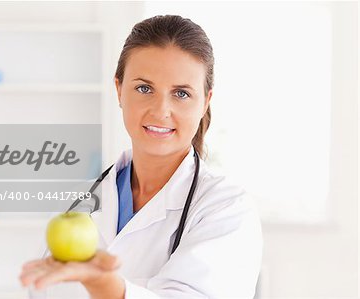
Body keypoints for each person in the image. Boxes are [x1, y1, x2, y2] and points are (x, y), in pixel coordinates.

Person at [19, 15, 263, 299]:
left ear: (205, 102)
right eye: (144, 88)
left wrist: (104, 285)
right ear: (119, 90)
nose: (160, 111)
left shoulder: (226, 208)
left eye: (181, 93)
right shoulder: (77, 201)